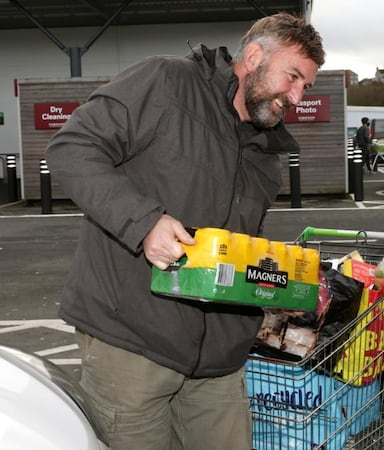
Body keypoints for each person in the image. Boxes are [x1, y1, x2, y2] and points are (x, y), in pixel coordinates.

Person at [45, 13, 325, 450]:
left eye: (305, 86)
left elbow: (231, 243)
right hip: (132, 343)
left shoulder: (266, 150)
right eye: (292, 77)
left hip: (219, 359)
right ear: (253, 57)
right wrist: (144, 223)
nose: (296, 96)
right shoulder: (165, 83)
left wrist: (275, 280)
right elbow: (71, 148)